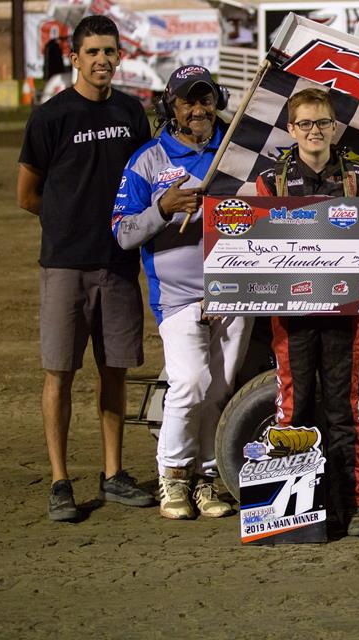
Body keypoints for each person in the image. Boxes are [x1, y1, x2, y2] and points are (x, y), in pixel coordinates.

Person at [16, 15, 155, 522]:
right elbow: (27, 195)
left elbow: (144, 182)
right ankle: (60, 481)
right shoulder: (50, 117)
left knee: (114, 371)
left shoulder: (131, 112)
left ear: (120, 57)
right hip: (65, 267)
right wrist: (69, 225)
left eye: (109, 51)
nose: (102, 60)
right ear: (74, 58)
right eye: (92, 51)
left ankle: (114, 473)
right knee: (60, 374)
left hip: (118, 265)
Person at [112, 66, 252, 520]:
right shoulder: (147, 160)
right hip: (177, 298)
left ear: (218, 102)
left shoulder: (237, 152)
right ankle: (172, 478)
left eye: (205, 99)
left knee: (221, 391)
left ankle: (207, 479)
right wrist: (162, 208)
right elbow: (122, 233)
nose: (198, 109)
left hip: (237, 292)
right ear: (170, 108)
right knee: (190, 382)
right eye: (187, 101)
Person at [255, 88, 359, 537]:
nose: (314, 131)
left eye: (322, 123)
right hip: (293, 315)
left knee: (345, 411)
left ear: (334, 127)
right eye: (305, 123)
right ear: (291, 129)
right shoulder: (273, 179)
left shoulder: (356, 179)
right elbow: (258, 245)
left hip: (345, 312)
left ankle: (354, 506)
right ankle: (291, 513)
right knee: (294, 408)